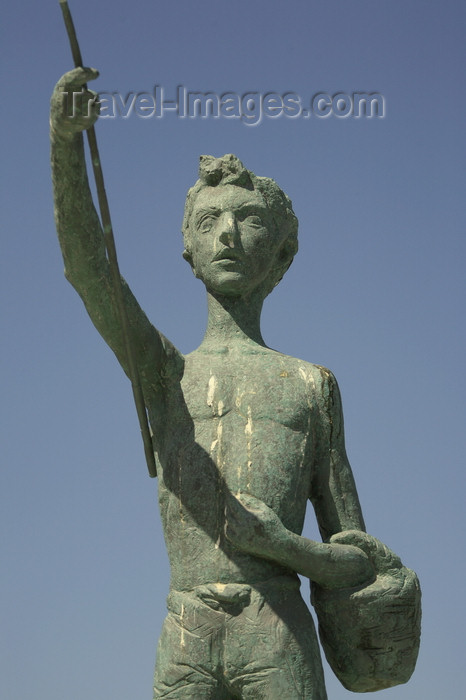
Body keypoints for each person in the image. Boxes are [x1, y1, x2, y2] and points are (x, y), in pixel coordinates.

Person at [50, 68, 416, 700]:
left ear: (280, 251)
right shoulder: (167, 374)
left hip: (278, 631)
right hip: (187, 632)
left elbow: (356, 557)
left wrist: (283, 547)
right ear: (188, 247)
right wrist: (64, 141)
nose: (227, 234)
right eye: (211, 219)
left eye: (248, 219)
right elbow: (88, 269)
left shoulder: (309, 385)